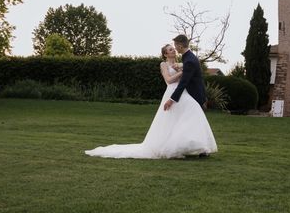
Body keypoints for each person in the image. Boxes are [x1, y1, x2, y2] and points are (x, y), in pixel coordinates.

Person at [85, 39, 217, 159]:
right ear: (165, 54)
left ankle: (193, 145)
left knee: (187, 115)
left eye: (173, 48)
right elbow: (169, 80)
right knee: (173, 118)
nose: (173, 50)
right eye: (170, 49)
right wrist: (182, 72)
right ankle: (174, 146)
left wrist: (181, 68)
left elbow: (188, 75)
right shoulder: (163, 64)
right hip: (172, 92)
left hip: (183, 93)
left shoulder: (179, 64)